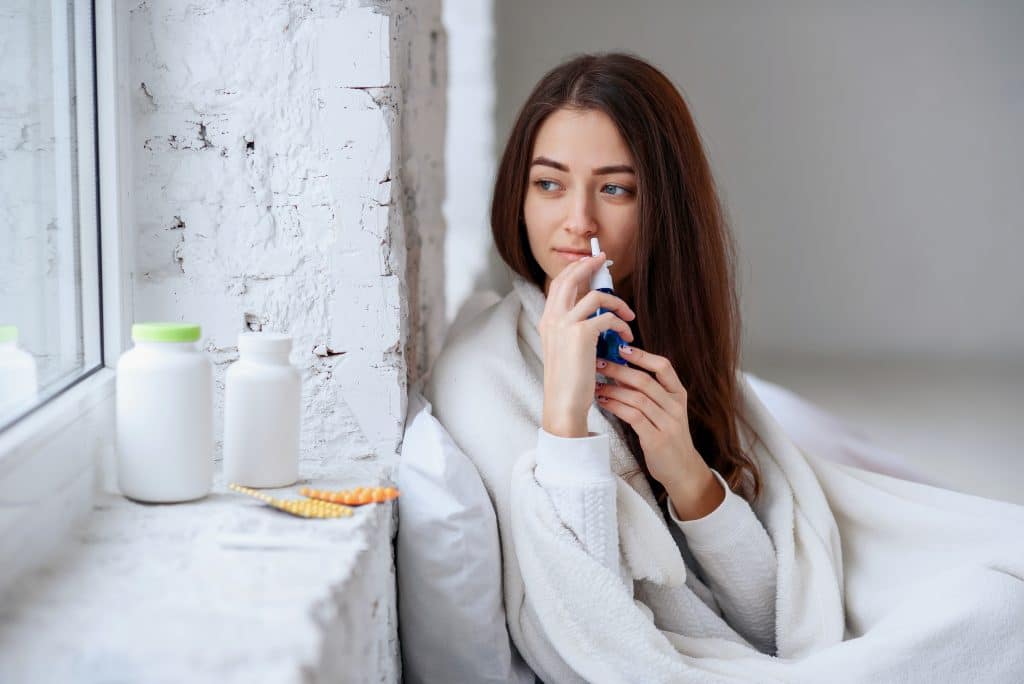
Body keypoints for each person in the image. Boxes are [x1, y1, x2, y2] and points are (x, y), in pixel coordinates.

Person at [423, 52, 1024, 683]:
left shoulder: (656, 342)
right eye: (549, 183)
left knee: (993, 603)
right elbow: (581, 632)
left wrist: (684, 470)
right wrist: (565, 423)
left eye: (615, 188)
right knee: (992, 617)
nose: (578, 221)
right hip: (668, 665)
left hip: (749, 652)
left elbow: (775, 621)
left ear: (663, 205)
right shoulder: (484, 377)